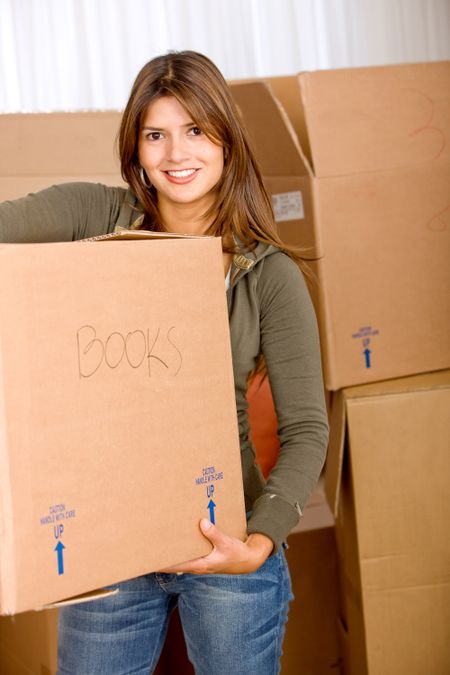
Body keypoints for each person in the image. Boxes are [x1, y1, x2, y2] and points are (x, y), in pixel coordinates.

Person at [0, 50, 329, 675]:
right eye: (157, 134)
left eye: (196, 131)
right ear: (136, 149)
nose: (177, 154)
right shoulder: (94, 218)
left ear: (227, 140)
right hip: (112, 549)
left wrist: (258, 543)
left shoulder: (270, 275)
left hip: (226, 544)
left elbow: (307, 429)